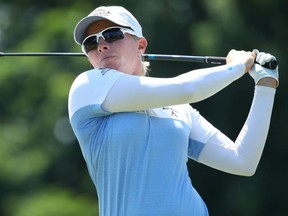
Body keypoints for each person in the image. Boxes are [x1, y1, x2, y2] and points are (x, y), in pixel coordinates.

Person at [68, 5, 279, 216]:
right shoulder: (86, 87)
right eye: (91, 42)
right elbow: (186, 88)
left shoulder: (178, 108)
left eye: (112, 35)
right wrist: (237, 67)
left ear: (140, 45)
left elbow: (243, 162)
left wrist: (265, 84)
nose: (101, 46)